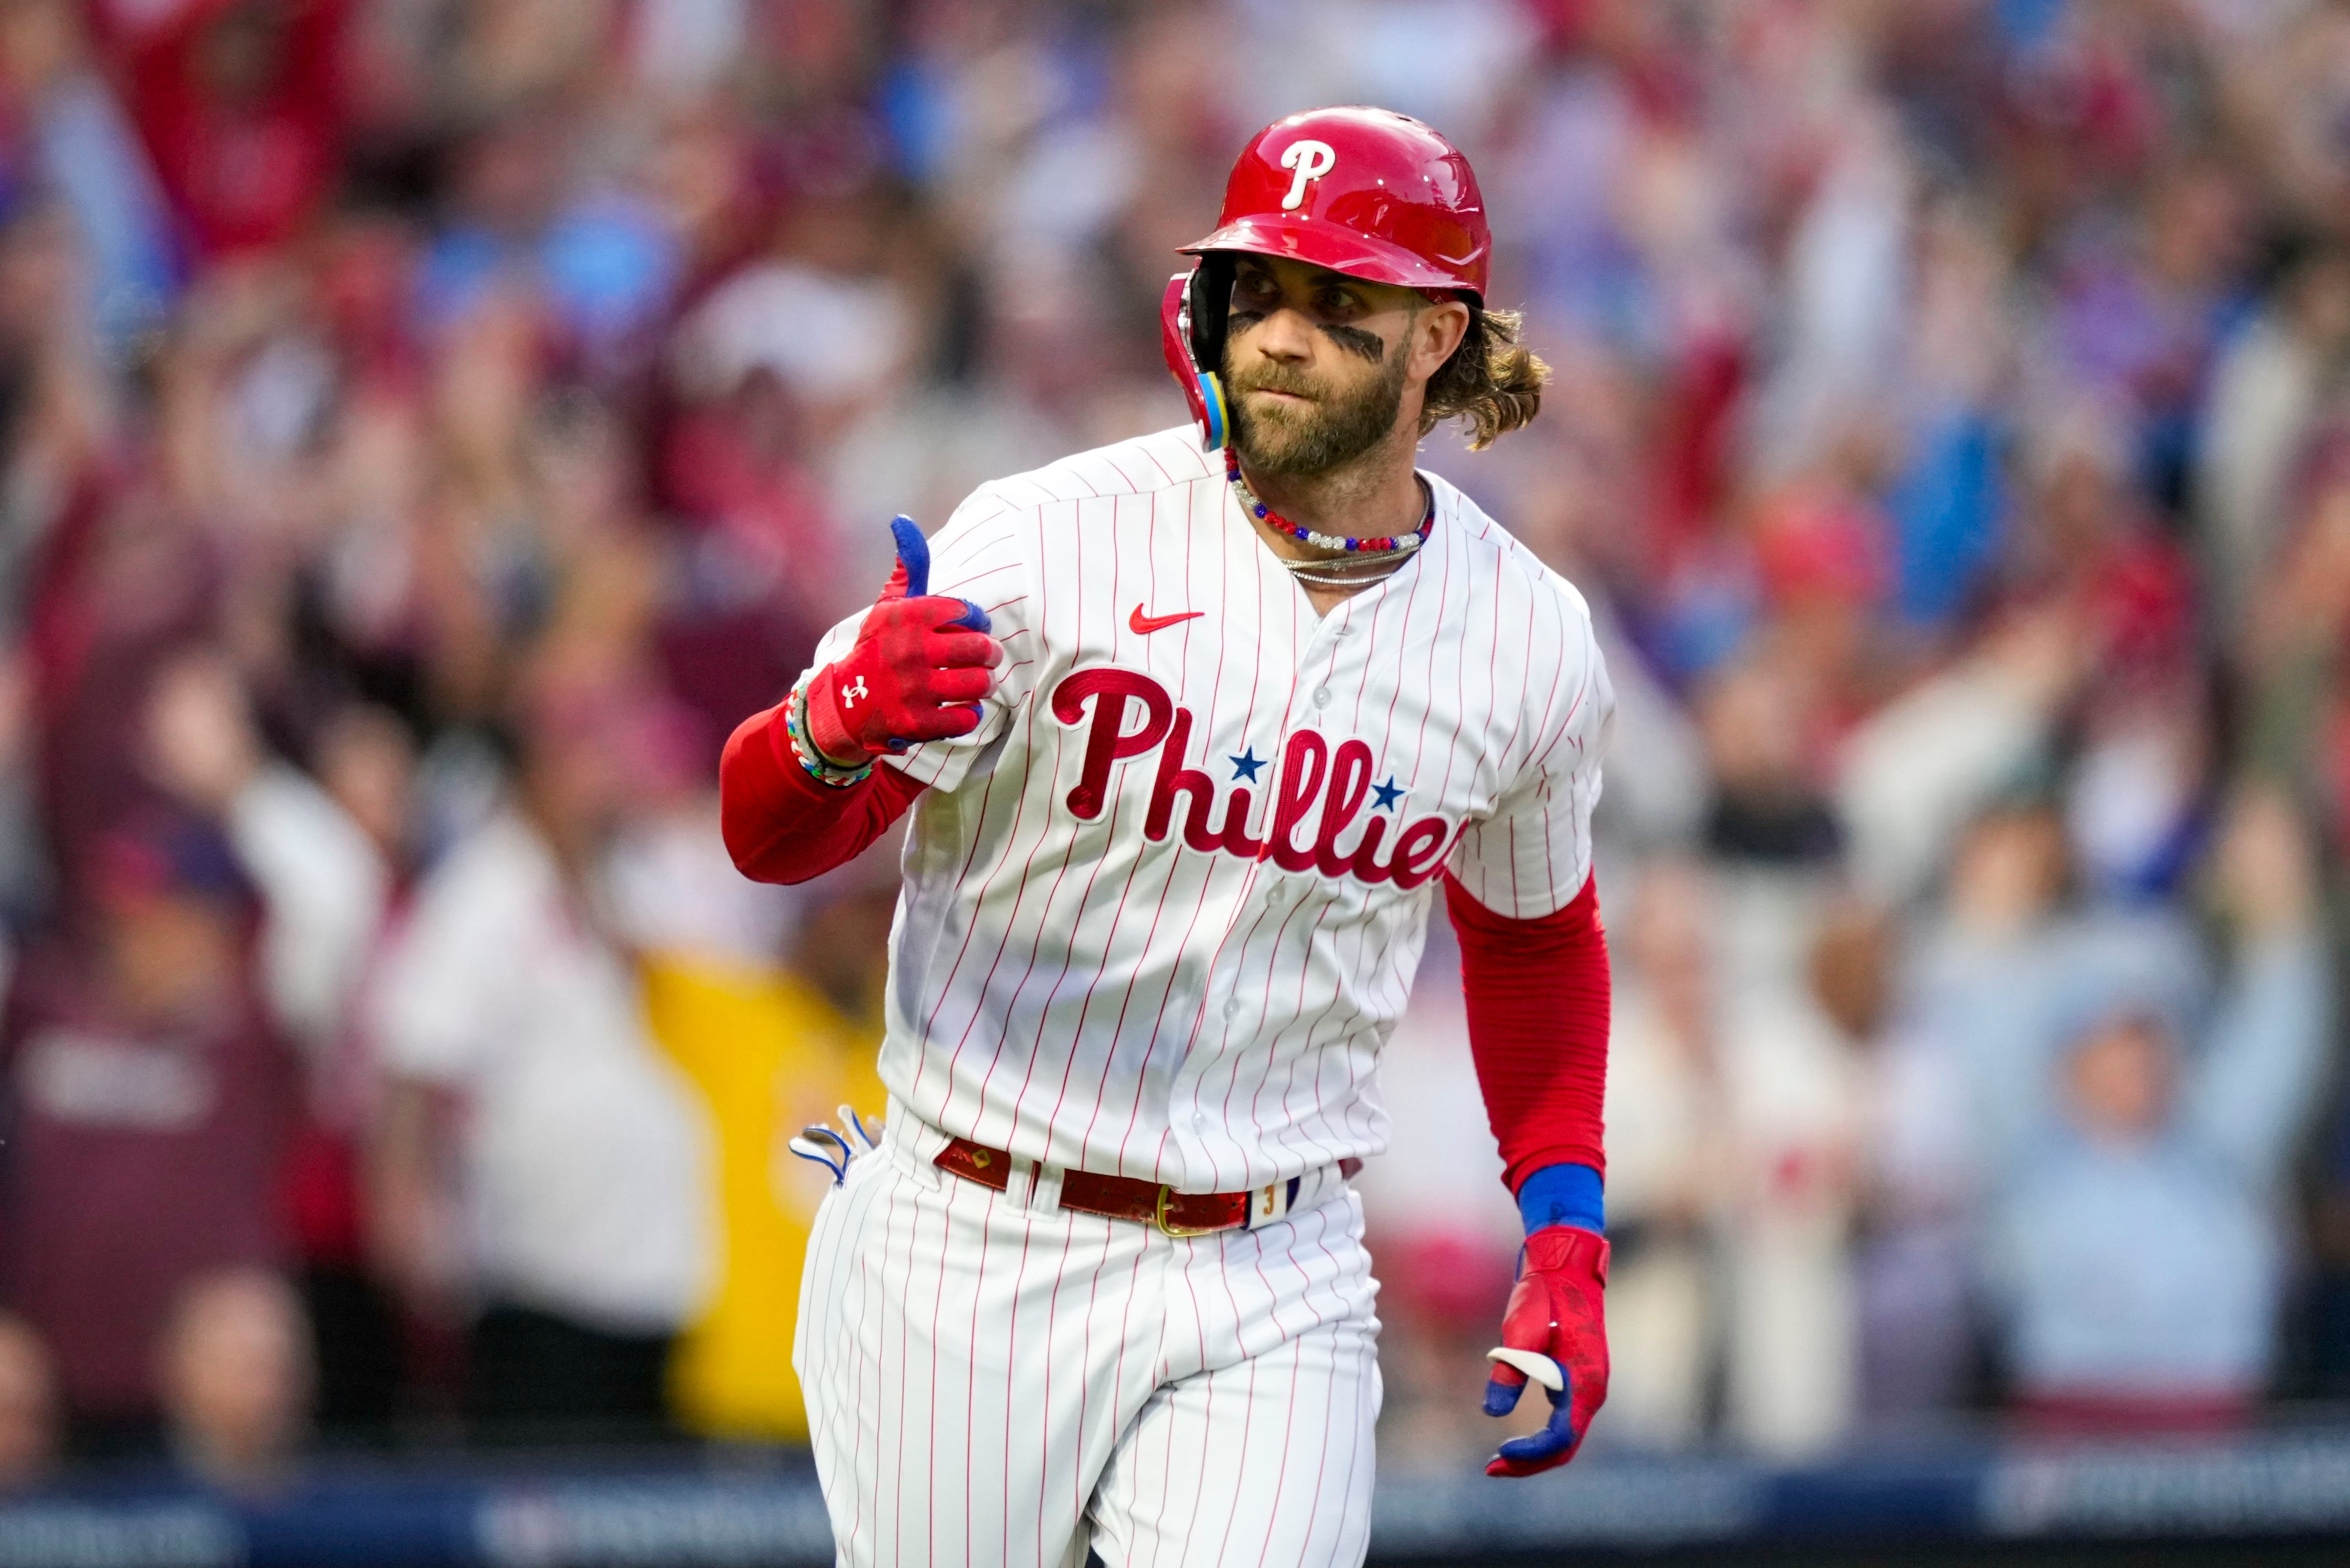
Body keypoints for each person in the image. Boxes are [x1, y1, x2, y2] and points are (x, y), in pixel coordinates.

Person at [721, 107, 1615, 1566]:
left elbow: (1534, 934)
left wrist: (1566, 1225)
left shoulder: (1526, 636)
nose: (1278, 331)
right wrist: (830, 725)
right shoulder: (1044, 539)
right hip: (977, 1232)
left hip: (1281, 1257)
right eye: (1256, 288)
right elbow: (766, 835)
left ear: (1439, 337)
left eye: (1341, 302)